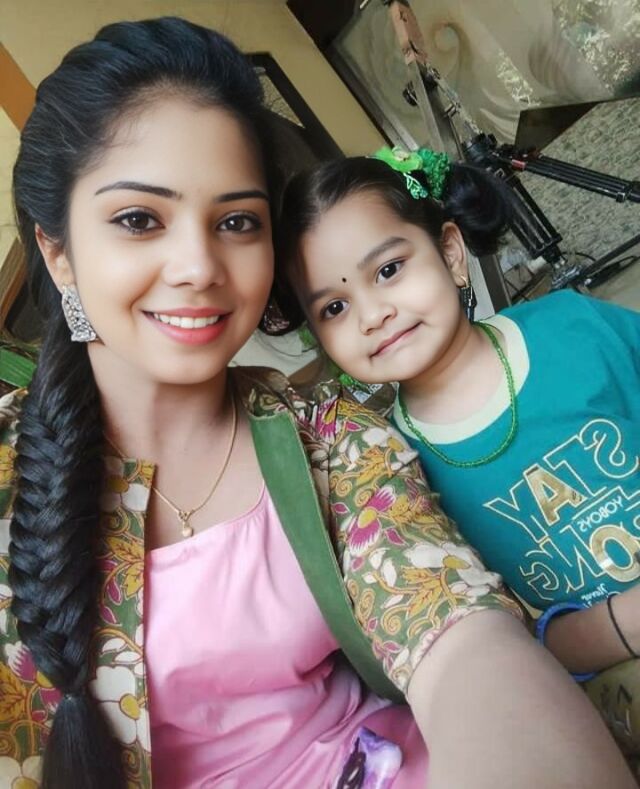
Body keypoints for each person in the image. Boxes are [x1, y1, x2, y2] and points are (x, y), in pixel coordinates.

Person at [1, 18, 636, 789]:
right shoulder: (12, 474)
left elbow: (454, 627)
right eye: (139, 220)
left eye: (236, 221)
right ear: (59, 252)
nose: (199, 265)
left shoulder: (332, 438)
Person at [275, 147, 640, 775]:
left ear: (449, 252)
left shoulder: (575, 329)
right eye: (334, 307)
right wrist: (624, 625)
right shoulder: (392, 474)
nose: (373, 314)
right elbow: (518, 643)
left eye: (389, 269)